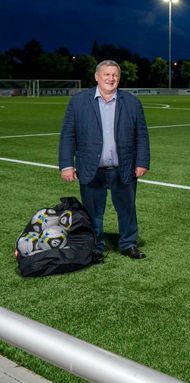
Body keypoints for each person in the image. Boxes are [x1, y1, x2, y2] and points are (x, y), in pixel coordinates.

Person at [58, 60, 151, 261]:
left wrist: (142, 162)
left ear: (119, 78)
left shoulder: (132, 102)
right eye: (106, 74)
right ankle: (96, 247)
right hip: (91, 168)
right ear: (96, 77)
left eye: (115, 75)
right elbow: (68, 134)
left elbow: (142, 135)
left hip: (123, 167)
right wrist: (66, 165)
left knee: (127, 210)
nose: (111, 78)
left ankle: (128, 243)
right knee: (93, 212)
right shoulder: (79, 101)